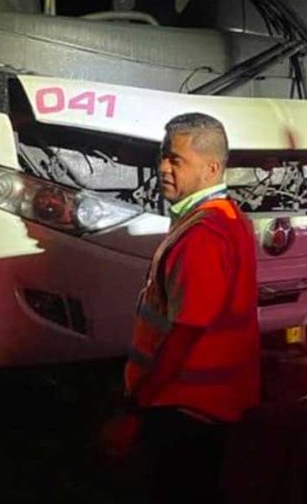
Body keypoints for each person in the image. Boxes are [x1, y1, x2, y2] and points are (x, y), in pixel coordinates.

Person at [104, 112, 261, 504]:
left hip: (183, 410)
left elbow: (185, 333)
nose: (163, 168)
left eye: (176, 160)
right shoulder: (229, 218)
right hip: (216, 407)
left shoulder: (202, 236)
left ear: (211, 168)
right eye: (163, 157)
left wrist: (137, 408)